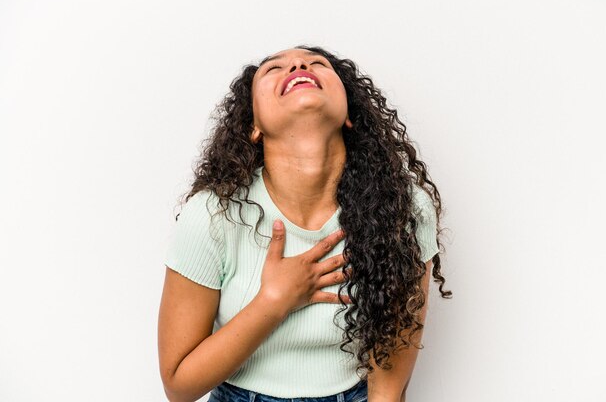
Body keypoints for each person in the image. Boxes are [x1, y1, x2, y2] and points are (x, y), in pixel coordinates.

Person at [158, 45, 452, 402]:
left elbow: (388, 387)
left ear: (348, 114)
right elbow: (178, 385)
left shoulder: (404, 208)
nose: (298, 64)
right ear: (255, 126)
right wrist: (273, 302)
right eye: (273, 69)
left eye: (317, 64)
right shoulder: (212, 215)